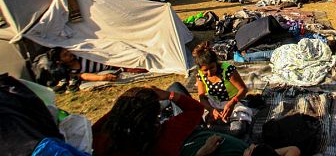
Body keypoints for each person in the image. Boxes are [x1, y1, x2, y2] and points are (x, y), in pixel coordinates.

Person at [92, 86, 300, 156]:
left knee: (176, 85)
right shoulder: (171, 131)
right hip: (210, 137)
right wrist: (168, 95)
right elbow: (197, 107)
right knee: (241, 129)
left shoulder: (102, 141)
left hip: (205, 135)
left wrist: (126, 108)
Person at [193, 42, 251, 137]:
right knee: (200, 120)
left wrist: (232, 103)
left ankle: (214, 132)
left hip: (234, 102)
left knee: (238, 129)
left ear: (216, 63)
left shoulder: (228, 70)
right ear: (200, 69)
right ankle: (221, 131)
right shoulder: (199, 75)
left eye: (212, 68)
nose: (209, 73)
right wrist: (212, 110)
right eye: (205, 70)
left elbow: (243, 90)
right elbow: (202, 97)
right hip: (214, 103)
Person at [49, 47, 118, 93]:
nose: (69, 54)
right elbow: (84, 75)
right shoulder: (71, 72)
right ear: (60, 61)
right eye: (65, 55)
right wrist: (102, 77)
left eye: (67, 51)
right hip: (114, 66)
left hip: (111, 57)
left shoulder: (78, 55)